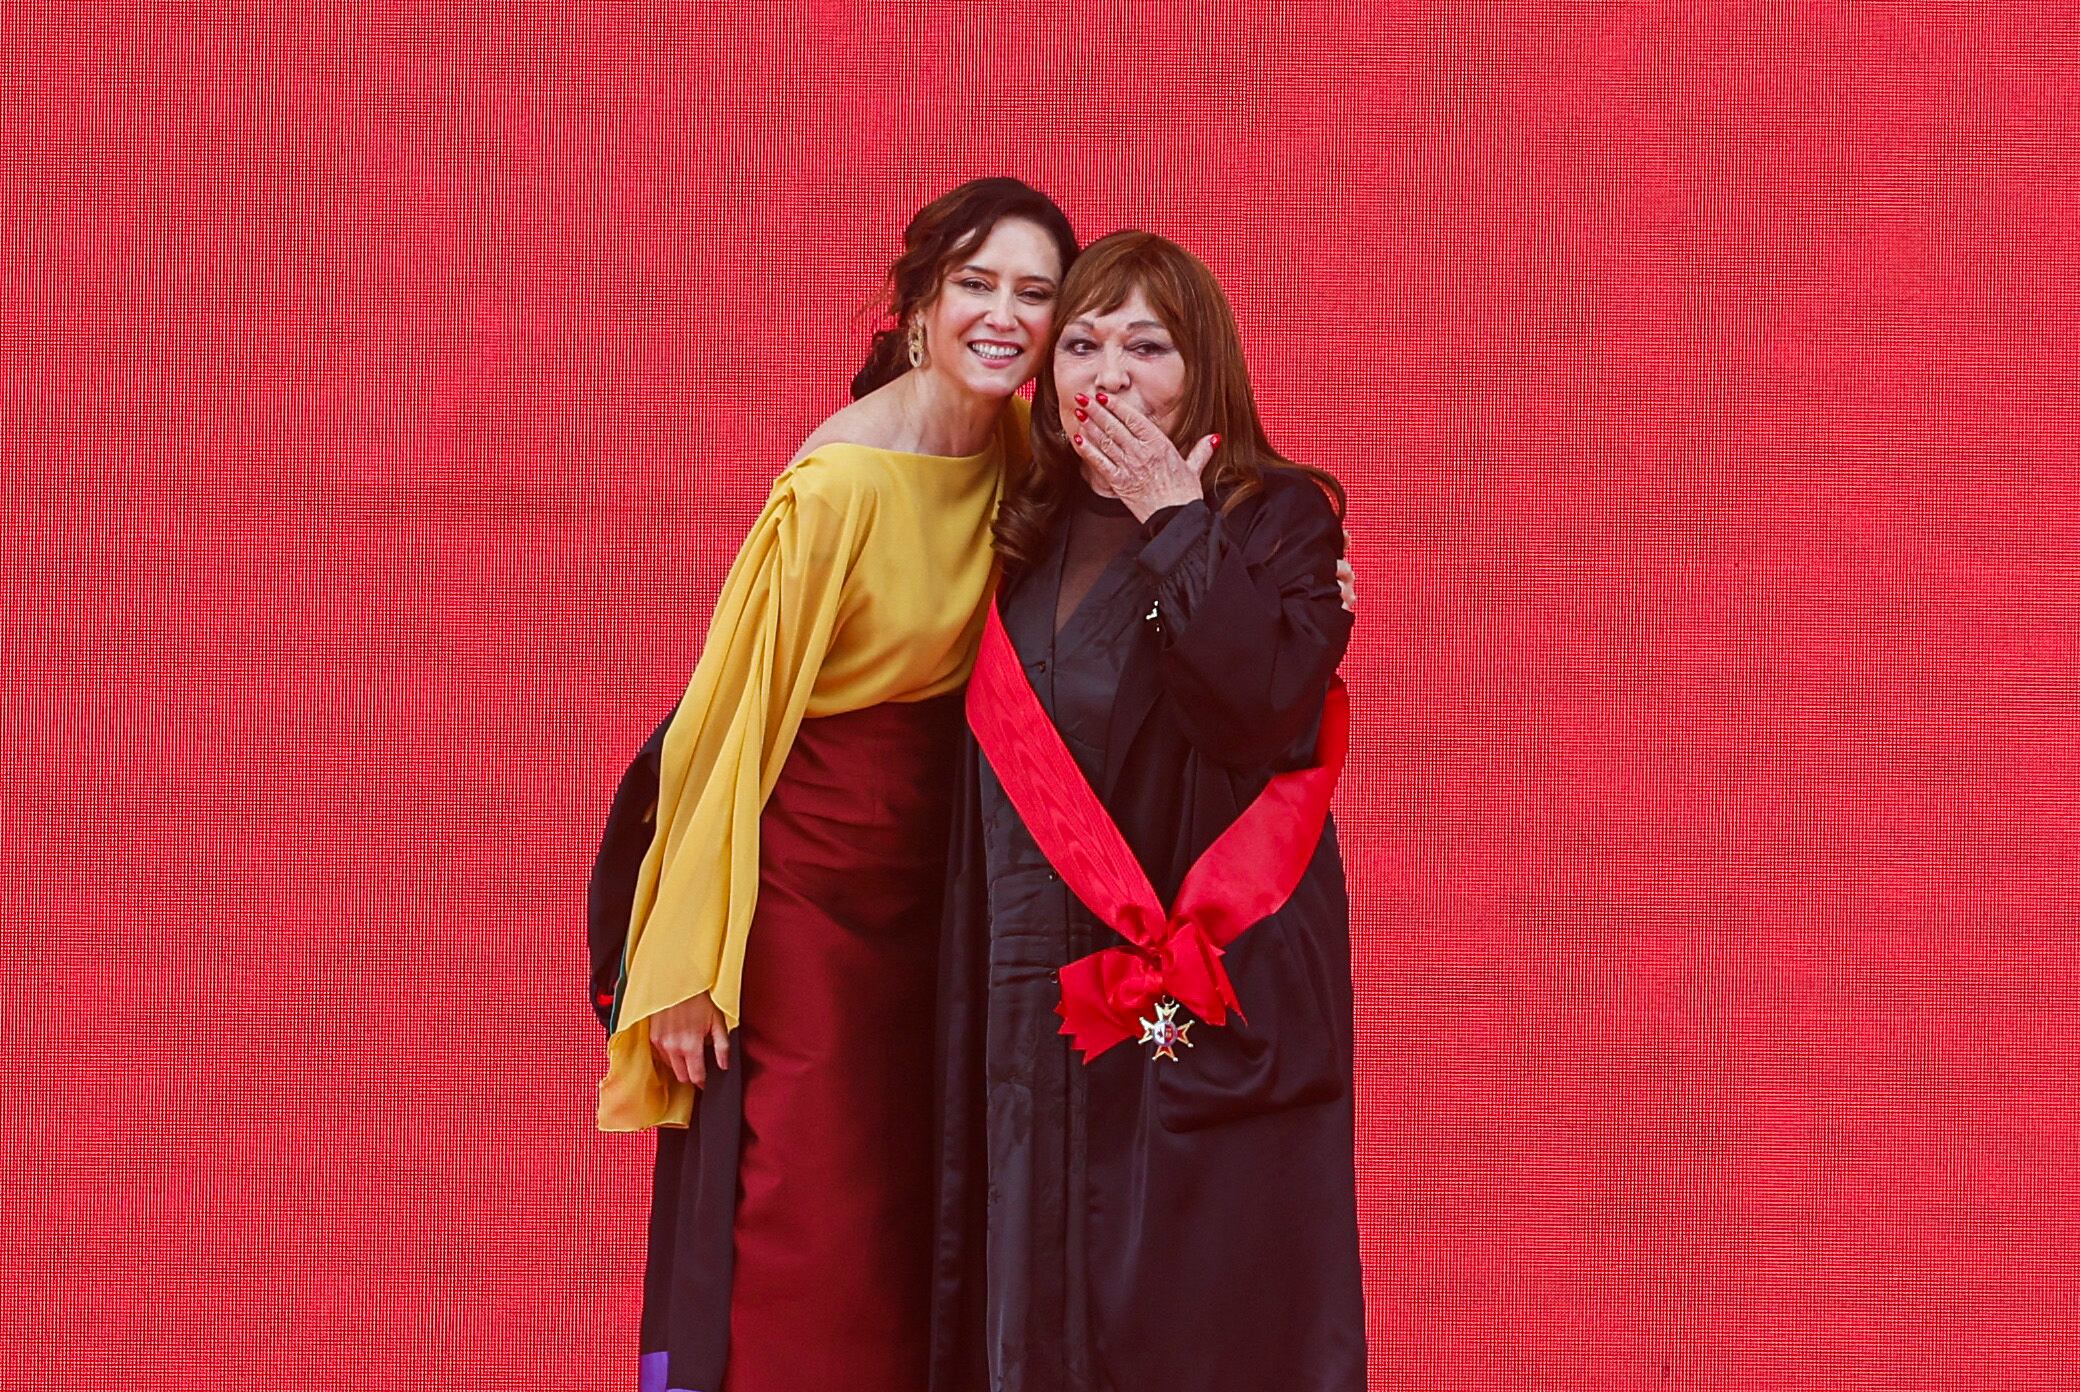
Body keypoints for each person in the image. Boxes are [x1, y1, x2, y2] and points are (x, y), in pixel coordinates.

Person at [590, 177, 1078, 1392]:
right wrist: (690, 961)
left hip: (953, 874)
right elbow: (721, 731)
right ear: (920, 302)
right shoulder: (841, 483)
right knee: (816, 1188)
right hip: (814, 879)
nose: (1002, 316)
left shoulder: (1022, 449)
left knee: (931, 1183)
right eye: (975, 285)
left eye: (1034, 293)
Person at [930, 231, 1367, 1392]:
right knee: (1032, 1306)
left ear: (1204, 369)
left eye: (1145, 345)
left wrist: (1176, 514)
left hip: (1198, 1002)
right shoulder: (1015, 536)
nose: (1105, 372)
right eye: (1078, 343)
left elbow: (1253, 713)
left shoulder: (1276, 521)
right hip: (1034, 995)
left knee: (1193, 1318)